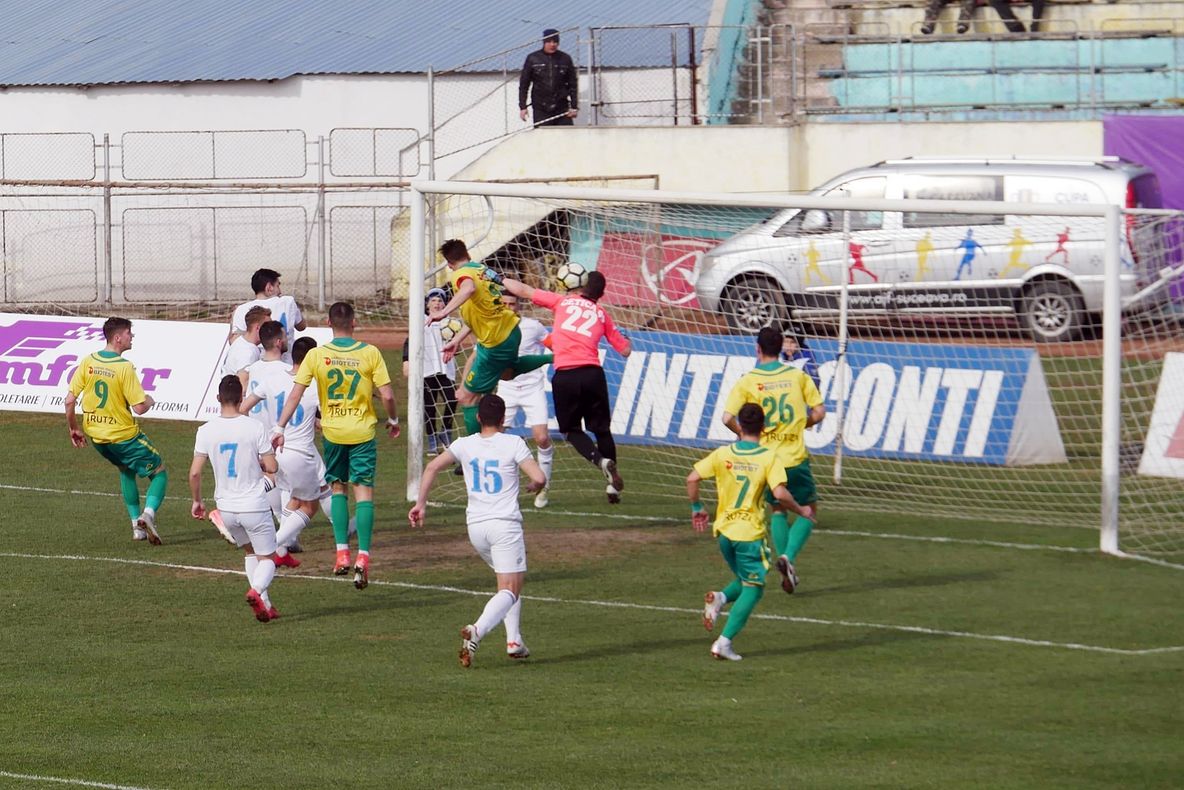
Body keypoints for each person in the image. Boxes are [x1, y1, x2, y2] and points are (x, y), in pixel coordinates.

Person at [408, 394, 547, 668]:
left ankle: (514, 641)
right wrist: (536, 486)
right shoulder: (513, 443)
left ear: (479, 418)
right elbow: (539, 477)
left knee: (507, 582)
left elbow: (432, 466)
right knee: (510, 588)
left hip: (476, 528)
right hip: (504, 526)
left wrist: (420, 504)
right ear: (504, 419)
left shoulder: (465, 443)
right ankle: (477, 630)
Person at [273, 301, 400, 590]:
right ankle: (363, 557)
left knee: (338, 489)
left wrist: (280, 427)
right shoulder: (370, 352)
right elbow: (388, 394)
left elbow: (295, 395)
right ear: (354, 323)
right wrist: (393, 419)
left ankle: (342, 552)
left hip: (333, 433)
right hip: (362, 433)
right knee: (363, 493)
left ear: (329, 323)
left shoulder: (317, 355)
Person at [689, 402, 814, 661]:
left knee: (746, 579)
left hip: (724, 533)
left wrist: (697, 507)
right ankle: (723, 643)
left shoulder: (723, 453)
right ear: (764, 427)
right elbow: (780, 494)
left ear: (739, 425)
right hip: (748, 535)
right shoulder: (769, 457)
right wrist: (801, 510)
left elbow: (692, 478)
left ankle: (720, 598)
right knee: (754, 588)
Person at [500, 269, 631, 504]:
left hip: (566, 375)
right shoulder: (602, 314)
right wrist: (624, 337)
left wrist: (498, 278)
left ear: (580, 285)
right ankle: (613, 487)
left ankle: (600, 461)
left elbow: (523, 290)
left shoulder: (562, 301)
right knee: (602, 430)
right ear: (601, 294)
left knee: (571, 430)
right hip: (592, 374)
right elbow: (625, 350)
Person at [721, 326, 825, 595]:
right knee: (809, 509)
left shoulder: (748, 380)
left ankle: (786, 560)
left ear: (758, 349)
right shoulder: (798, 376)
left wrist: (744, 434)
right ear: (781, 349)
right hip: (794, 457)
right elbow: (819, 412)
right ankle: (788, 556)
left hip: (766, 460)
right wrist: (801, 424)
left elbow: (726, 418)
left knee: (778, 509)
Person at [426, 238, 552, 438]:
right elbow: (479, 314)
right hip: (511, 331)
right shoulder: (482, 270)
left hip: (495, 342)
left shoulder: (461, 274)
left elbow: (468, 288)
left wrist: (443, 312)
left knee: (467, 398)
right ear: (468, 254)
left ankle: (477, 448)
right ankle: (554, 357)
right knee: (507, 373)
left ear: (449, 264)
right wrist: (457, 340)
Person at [64, 316, 167, 545]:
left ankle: (136, 528)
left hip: (98, 437)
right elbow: (139, 408)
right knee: (159, 472)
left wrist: (74, 428)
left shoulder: (88, 361)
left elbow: (69, 401)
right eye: (129, 333)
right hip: (123, 436)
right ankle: (148, 515)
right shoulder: (124, 367)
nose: (132, 336)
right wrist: (150, 400)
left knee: (126, 470)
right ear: (118, 338)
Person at [189, 375, 281, 623]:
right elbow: (272, 467)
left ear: (218, 398)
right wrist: (265, 459)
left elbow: (195, 472)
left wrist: (197, 501)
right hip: (254, 505)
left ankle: (266, 604)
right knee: (269, 558)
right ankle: (256, 591)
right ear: (241, 398)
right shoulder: (254, 427)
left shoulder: (205, 430)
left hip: (226, 510)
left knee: (250, 553)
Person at [241, 328, 333, 564]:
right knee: (310, 505)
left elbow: (243, 407)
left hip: (276, 448)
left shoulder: (272, 380)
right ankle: (273, 546)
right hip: (300, 452)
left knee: (293, 499)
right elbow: (327, 419)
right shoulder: (315, 386)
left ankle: (282, 550)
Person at [496, 293, 554, 508]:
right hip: (506, 389)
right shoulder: (492, 325)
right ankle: (500, 488)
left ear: (519, 305)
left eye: (512, 303)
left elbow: (553, 344)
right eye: (504, 303)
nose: (509, 307)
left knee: (542, 438)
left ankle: (543, 487)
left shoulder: (533, 326)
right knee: (494, 437)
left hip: (532, 389)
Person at [402, 288, 458, 456]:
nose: (437, 303)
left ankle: (446, 431)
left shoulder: (450, 323)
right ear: (427, 304)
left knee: (452, 399)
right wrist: (406, 361)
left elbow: (456, 344)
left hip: (445, 369)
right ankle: (432, 438)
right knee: (429, 407)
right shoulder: (420, 320)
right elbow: (409, 341)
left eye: (440, 300)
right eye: (433, 300)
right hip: (426, 369)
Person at [230, 268, 307, 363]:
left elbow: (234, 342)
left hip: (255, 365)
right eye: (278, 286)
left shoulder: (241, 309)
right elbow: (302, 326)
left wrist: (233, 319)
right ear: (269, 288)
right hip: (287, 365)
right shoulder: (288, 301)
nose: (280, 291)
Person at [518, 28, 579, 127]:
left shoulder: (565, 59)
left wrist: (574, 106)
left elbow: (573, 84)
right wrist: (523, 107)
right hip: (541, 107)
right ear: (544, 42)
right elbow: (524, 84)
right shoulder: (533, 58)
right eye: (549, 42)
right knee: (543, 134)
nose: (552, 44)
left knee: (566, 134)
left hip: (561, 107)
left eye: (555, 42)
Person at [222, 305, 270, 383]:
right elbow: (243, 384)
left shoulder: (241, 342)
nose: (270, 330)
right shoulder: (247, 352)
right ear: (258, 328)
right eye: (267, 327)